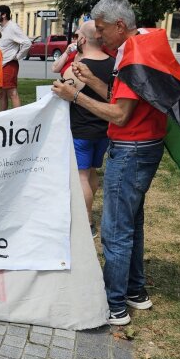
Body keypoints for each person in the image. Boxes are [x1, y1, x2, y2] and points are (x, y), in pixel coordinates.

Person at [52, 0, 167, 326]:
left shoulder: (132, 57)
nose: (98, 36)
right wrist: (91, 82)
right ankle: (135, 291)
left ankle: (113, 305)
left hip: (131, 149)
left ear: (120, 25)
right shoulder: (143, 45)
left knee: (115, 229)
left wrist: (74, 95)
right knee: (133, 223)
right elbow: (124, 98)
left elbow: (118, 114)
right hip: (146, 144)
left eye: (101, 29)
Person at [56, 20, 115, 237]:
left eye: (78, 34)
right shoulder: (114, 63)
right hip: (104, 129)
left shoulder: (79, 67)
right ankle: (87, 214)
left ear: (82, 39)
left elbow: (60, 89)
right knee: (91, 172)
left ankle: (86, 221)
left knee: (81, 176)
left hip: (81, 130)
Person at [0, 4, 31, 110]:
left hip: (9, 64)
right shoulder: (1, 28)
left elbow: (27, 42)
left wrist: (18, 56)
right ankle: (3, 117)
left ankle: (17, 117)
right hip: (0, 65)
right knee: (1, 93)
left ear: (4, 15)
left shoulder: (12, 27)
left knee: (12, 92)